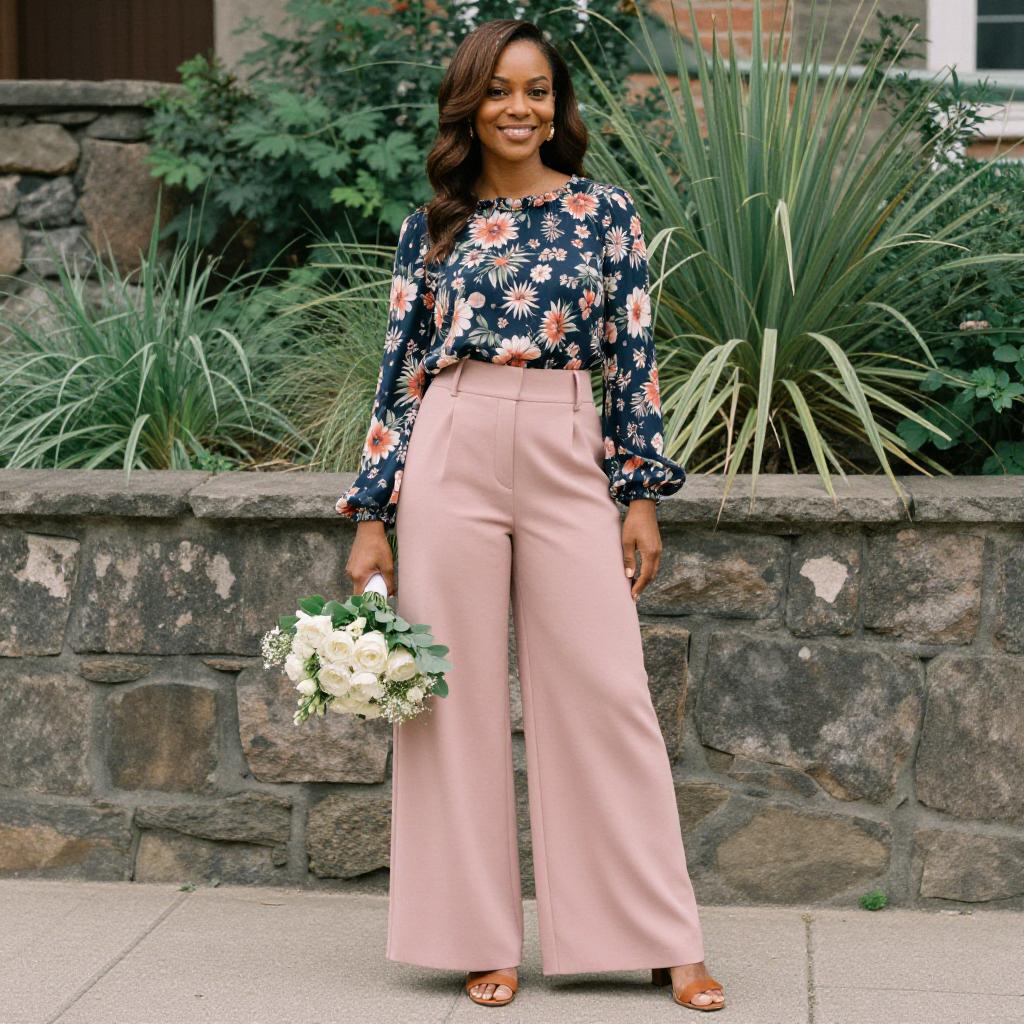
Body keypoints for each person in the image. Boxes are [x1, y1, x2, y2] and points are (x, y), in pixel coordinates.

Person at [338, 18, 726, 1013]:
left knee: (605, 690)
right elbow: (398, 371)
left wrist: (637, 492)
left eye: (539, 90)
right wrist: (371, 512)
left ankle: (657, 934)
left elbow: (632, 358)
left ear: (560, 103)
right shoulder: (435, 224)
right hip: (453, 440)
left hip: (565, 440)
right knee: (450, 700)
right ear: (470, 103)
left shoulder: (604, 212)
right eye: (501, 91)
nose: (521, 108)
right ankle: (474, 934)